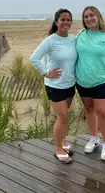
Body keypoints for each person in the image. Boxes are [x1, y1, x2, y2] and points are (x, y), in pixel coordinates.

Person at [75, 6, 105, 161]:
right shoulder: (80, 35)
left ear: (98, 16)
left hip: (102, 81)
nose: (89, 19)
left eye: (92, 15)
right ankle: (94, 138)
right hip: (82, 81)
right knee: (89, 109)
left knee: (102, 112)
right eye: (86, 16)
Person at [30, 8, 77, 164]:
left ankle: (63, 141)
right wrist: (45, 72)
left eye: (68, 19)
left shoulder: (73, 39)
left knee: (65, 116)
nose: (66, 22)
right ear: (57, 22)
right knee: (62, 117)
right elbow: (34, 58)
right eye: (62, 19)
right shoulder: (51, 40)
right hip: (54, 86)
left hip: (70, 85)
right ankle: (58, 149)